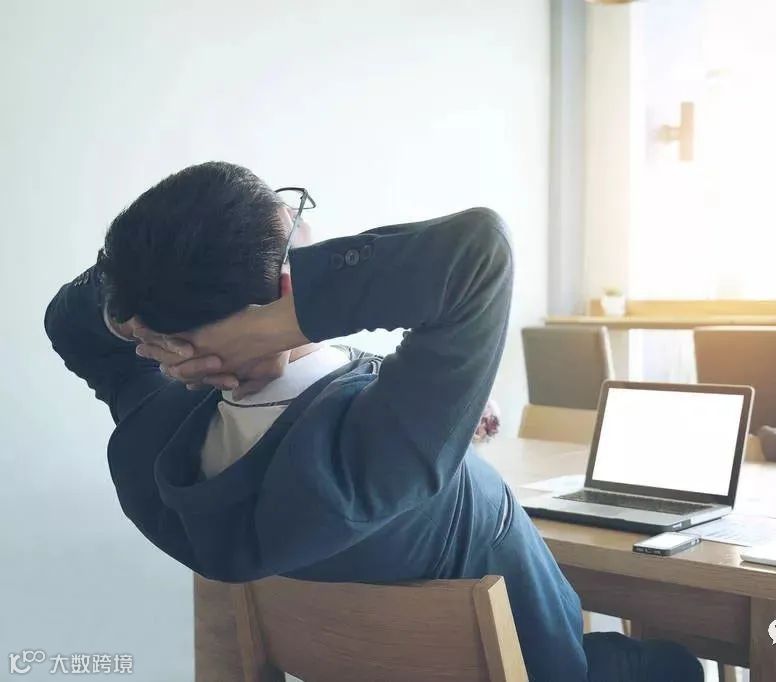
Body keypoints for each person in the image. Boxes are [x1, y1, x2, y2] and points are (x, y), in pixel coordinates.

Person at [45, 161, 703, 681]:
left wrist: (151, 320)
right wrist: (275, 327)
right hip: (544, 668)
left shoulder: (154, 438)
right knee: (676, 664)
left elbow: (67, 319)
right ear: (284, 288)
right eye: (293, 220)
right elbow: (476, 251)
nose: (307, 228)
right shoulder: (370, 454)